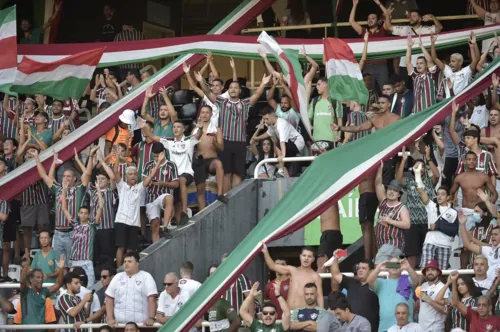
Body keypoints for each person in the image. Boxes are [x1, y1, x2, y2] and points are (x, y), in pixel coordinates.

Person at [199, 68, 270, 193]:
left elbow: (257, 95)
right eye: (231, 87)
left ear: (240, 90)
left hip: (240, 143)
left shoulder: (245, 104)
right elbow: (208, 94)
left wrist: (263, 83)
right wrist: (201, 81)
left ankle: (235, 199)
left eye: (236, 87)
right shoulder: (221, 101)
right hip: (225, 142)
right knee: (226, 173)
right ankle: (227, 198)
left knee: (237, 174)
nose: (233, 89)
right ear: (228, 90)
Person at [140, 118, 202, 226]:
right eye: (174, 127)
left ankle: (184, 213)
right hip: (173, 175)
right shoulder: (169, 141)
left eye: (178, 127)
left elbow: (198, 135)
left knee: (181, 181)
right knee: (176, 201)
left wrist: (200, 128)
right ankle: (179, 225)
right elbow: (153, 136)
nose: (176, 129)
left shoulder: (189, 140)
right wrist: (144, 127)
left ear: (183, 129)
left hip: (186, 173)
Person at [33, 149, 89, 265]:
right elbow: (44, 175)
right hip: (58, 233)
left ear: (75, 179)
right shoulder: (58, 189)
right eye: (64, 176)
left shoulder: (78, 190)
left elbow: (87, 174)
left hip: (72, 232)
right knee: (59, 266)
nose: (66, 178)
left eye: (69, 176)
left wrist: (78, 160)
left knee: (71, 264)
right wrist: (37, 159)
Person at [396, 148, 439, 268]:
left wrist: (428, 158)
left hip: (428, 222)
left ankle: (425, 280)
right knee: (411, 253)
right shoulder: (410, 182)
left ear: (425, 169)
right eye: (417, 166)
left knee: (428, 253)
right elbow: (399, 178)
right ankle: (411, 279)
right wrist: (404, 160)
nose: (420, 168)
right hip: (413, 222)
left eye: (422, 166)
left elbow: (437, 175)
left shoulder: (429, 182)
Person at [114, 157, 160, 266]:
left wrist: (158, 162)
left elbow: (151, 176)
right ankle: (119, 271)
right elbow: (115, 171)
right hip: (121, 221)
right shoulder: (122, 185)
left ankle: (128, 268)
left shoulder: (139, 187)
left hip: (134, 223)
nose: (133, 176)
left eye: (134, 174)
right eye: (130, 174)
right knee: (120, 247)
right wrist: (117, 157)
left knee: (130, 250)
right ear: (125, 176)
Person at [61, 181, 103, 287]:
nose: (83, 215)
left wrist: (98, 189)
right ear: (78, 214)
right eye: (82, 213)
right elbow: (64, 209)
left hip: (87, 262)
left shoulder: (92, 226)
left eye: (86, 213)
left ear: (89, 215)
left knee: (89, 289)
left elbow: (101, 207)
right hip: (74, 262)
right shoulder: (75, 224)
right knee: (73, 289)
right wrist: (64, 190)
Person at [327, 251, 379, 332]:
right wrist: (335, 258)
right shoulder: (351, 282)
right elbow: (335, 274)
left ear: (371, 271)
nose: (360, 270)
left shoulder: (377, 285)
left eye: (364, 268)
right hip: (350, 327)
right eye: (359, 268)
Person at [415, 171, 458, 270]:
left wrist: (438, 226)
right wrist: (417, 175)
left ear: (448, 197)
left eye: (442, 194)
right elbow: (421, 191)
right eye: (438, 194)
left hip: (445, 245)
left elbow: (453, 231)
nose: (439, 196)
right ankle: (420, 286)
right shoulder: (432, 206)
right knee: (425, 269)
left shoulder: (453, 212)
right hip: (430, 242)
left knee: (441, 272)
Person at [186, 105, 225, 210]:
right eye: (202, 112)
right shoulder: (195, 130)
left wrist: (214, 142)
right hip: (199, 161)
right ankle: (202, 213)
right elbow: (189, 145)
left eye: (207, 112)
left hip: (212, 159)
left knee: (218, 164)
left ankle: (220, 193)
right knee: (200, 191)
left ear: (211, 114)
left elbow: (221, 148)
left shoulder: (216, 130)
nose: (204, 114)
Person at [384, 8, 443, 77]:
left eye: (414, 16)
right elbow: (389, 27)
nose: (411, 18)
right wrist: (387, 16)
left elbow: (439, 28)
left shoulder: (425, 29)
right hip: (405, 64)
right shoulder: (405, 29)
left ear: (420, 19)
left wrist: (432, 17)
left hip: (421, 64)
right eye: (410, 16)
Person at [262, 244, 323, 309]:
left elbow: (319, 296)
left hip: (304, 313)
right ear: (300, 256)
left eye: (309, 256)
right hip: (289, 312)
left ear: (313, 259)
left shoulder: (315, 276)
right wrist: (265, 251)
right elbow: (273, 266)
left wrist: (322, 313)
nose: (306, 258)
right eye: (304, 255)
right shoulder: (292, 270)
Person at [105, 251, 157, 326]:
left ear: (137, 264)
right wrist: (110, 319)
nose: (126, 264)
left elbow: (152, 299)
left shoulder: (146, 277)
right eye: (124, 261)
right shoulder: (117, 277)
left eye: (129, 261)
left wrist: (151, 318)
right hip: (120, 325)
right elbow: (109, 299)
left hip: (141, 325)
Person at [367, 258, 419, 332]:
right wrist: (379, 268)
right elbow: (369, 281)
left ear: (401, 267)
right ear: (387, 268)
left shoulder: (407, 280)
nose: (394, 267)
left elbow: (416, 281)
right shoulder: (381, 283)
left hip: (406, 328)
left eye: (397, 264)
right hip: (385, 328)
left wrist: (408, 267)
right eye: (391, 264)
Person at [349, 0, 390, 92]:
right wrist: (354, 5)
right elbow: (351, 21)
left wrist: (379, 4)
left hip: (381, 65)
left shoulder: (383, 30)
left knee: (386, 91)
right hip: (367, 65)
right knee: (367, 93)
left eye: (373, 18)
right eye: (369, 18)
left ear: (378, 20)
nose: (370, 20)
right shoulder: (364, 31)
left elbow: (387, 16)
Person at [142, 142, 179, 240]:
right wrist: (151, 181)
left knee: (169, 198)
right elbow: (144, 182)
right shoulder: (148, 165)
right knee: (154, 226)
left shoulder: (171, 165)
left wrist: (164, 183)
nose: (156, 158)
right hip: (151, 198)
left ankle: (165, 227)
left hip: (164, 195)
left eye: (158, 156)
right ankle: (156, 250)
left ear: (163, 153)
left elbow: (176, 184)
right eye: (154, 156)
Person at [255, 107, 305, 177]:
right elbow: (268, 133)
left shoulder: (281, 124)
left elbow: (282, 141)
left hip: (297, 143)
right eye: (264, 119)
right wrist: (257, 138)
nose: (265, 121)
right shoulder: (272, 125)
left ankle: (281, 169)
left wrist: (282, 156)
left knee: (277, 143)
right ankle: (283, 169)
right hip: (289, 145)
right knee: (289, 168)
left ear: (273, 116)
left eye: (267, 119)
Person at [19, 250, 65, 327]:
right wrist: (26, 265)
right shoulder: (26, 291)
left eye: (41, 277)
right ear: (31, 279)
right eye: (37, 277)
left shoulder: (44, 292)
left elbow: (59, 284)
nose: (40, 279)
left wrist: (61, 269)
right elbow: (22, 282)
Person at [431, 33, 479, 98]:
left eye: (453, 61)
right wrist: (432, 43)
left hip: (462, 104)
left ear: (460, 62)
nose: (450, 63)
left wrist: (473, 45)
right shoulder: (448, 71)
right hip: (449, 104)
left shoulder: (465, 72)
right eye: (450, 61)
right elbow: (434, 58)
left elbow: (475, 60)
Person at [459, 211, 500, 280]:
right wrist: (462, 224)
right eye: (492, 235)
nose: (492, 236)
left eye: (495, 235)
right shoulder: (488, 249)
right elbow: (468, 245)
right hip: (489, 284)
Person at [405, 36, 438, 114]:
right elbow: (407, 63)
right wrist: (409, 47)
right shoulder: (415, 77)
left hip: (430, 112)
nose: (418, 65)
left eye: (421, 63)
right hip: (417, 113)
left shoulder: (431, 75)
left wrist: (421, 46)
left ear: (426, 65)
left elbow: (429, 60)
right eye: (417, 64)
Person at [417, 260, 449, 331]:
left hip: (435, 328)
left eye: (433, 270)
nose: (430, 272)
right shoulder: (423, 285)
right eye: (428, 270)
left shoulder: (443, 287)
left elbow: (446, 310)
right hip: (421, 328)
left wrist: (429, 301)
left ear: (438, 272)